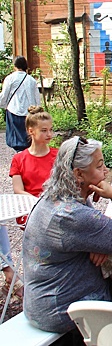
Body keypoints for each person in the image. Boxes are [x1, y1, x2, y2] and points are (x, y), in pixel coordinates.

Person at [22, 136, 112, 338]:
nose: (106, 171)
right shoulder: (72, 215)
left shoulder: (56, 197)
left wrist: (100, 243)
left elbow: (93, 231)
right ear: (78, 174)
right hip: (62, 309)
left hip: (40, 300)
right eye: (99, 166)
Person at [0, 106, 58, 300]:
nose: (49, 134)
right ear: (30, 131)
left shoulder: (57, 156)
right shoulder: (19, 159)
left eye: (51, 129)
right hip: (29, 207)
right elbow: (18, 189)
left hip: (54, 205)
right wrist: (36, 203)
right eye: (44, 130)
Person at [0, 56, 41, 152]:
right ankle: (28, 154)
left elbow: (4, 95)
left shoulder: (10, 78)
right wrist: (37, 110)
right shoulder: (31, 80)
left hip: (13, 109)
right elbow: (37, 98)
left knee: (15, 137)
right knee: (28, 136)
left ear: (14, 66)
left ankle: (19, 155)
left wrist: (3, 104)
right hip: (29, 112)